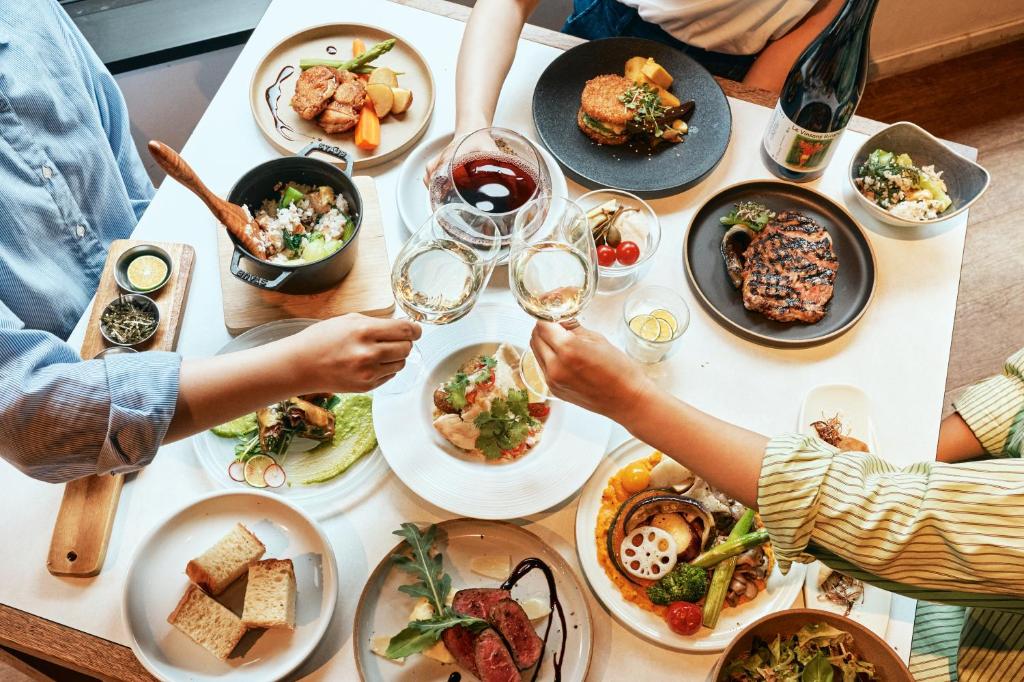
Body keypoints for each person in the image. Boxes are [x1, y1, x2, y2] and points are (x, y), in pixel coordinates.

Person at [0, 1, 419, 483]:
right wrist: (300, 366)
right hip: (86, 441)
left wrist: (168, 269)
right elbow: (32, 419)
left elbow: (115, 143)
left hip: (171, 316)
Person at [531, 320, 1024, 681]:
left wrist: (633, 401)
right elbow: (1016, 395)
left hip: (952, 654)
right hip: (912, 512)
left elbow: (906, 528)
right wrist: (909, 472)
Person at [425, 0, 845, 182]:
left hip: (731, 71)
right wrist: (471, 126)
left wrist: (726, 127)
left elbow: (809, 29)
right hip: (606, 26)